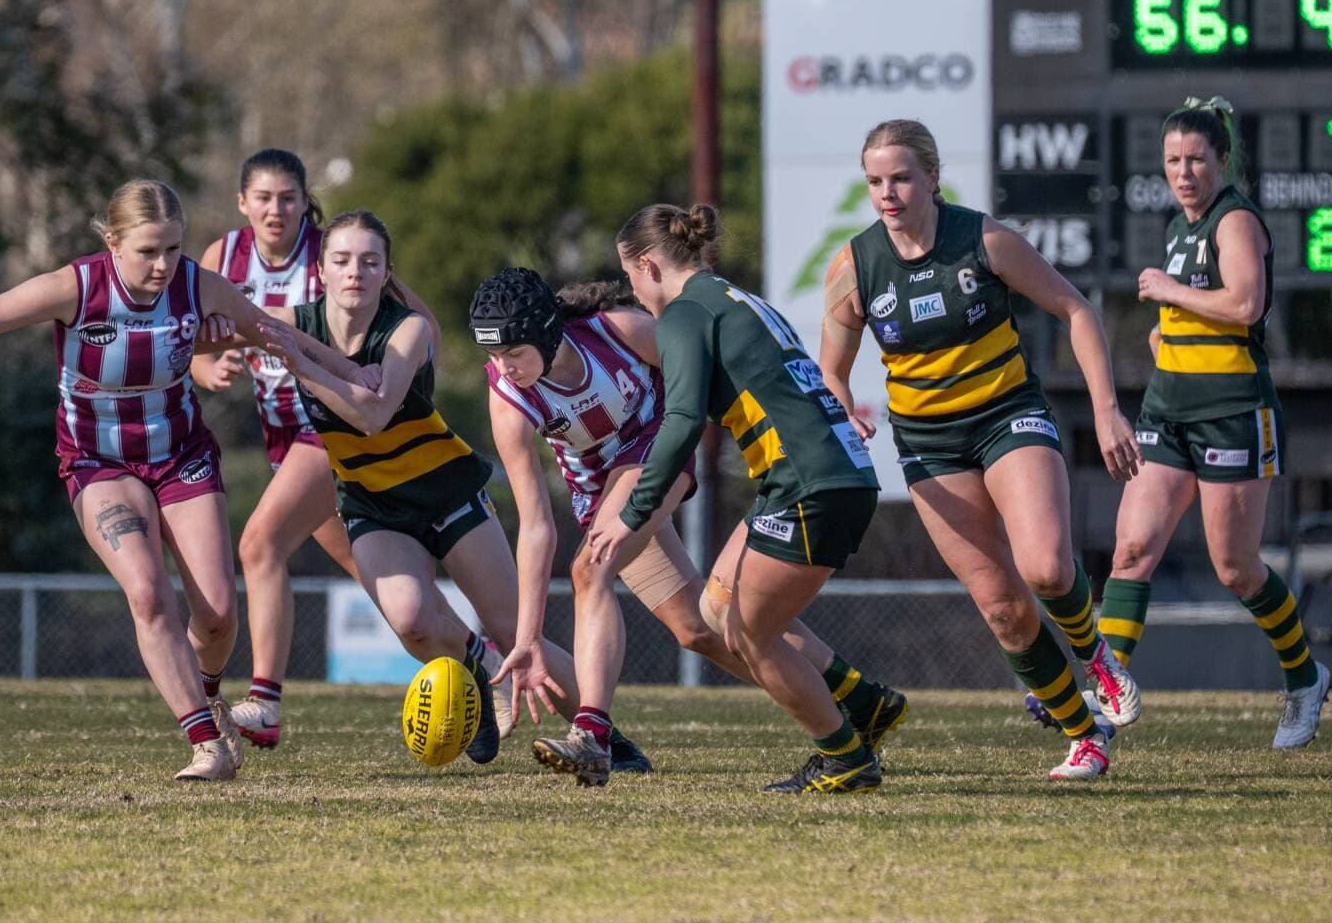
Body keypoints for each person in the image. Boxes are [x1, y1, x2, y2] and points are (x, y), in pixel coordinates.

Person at [0, 179, 360, 781]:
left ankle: (206, 692)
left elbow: (276, 332)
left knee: (220, 614)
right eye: (148, 251)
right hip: (99, 462)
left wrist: (360, 374)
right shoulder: (77, 286)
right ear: (113, 242)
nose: (163, 264)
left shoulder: (198, 285)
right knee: (148, 593)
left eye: (172, 248)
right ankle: (205, 742)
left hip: (181, 456)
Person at [471, 268, 908, 787]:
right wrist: (529, 638)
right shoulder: (508, 396)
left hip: (656, 450)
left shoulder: (617, 331)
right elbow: (537, 523)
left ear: (546, 330)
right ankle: (859, 698)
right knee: (699, 628)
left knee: (591, 569)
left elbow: (722, 368)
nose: (504, 367)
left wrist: (817, 418)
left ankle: (592, 735)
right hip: (601, 490)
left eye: (514, 352)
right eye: (495, 355)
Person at [256, 210, 649, 769]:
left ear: (388, 270)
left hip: (447, 492)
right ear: (320, 270)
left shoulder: (407, 328)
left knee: (517, 632)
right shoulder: (293, 321)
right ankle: (478, 668)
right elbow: (212, 322)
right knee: (412, 620)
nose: (355, 272)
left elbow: (374, 413)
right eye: (341, 260)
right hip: (373, 504)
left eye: (370, 261)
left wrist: (300, 360)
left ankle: (603, 737)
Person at [817, 120, 1143, 780]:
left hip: (1007, 416)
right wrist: (843, 405)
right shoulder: (854, 265)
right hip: (929, 446)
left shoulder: (985, 239)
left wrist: (1107, 410)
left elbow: (1078, 311)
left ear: (933, 178)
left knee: (1048, 568)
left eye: (902, 177)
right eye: (876, 181)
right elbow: (832, 367)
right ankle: (1086, 737)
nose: (889, 193)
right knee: (1002, 608)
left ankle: (1097, 659)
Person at [586, 203, 889, 795]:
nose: (634, 294)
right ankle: (863, 708)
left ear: (647, 265)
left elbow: (679, 424)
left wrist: (631, 515)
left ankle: (845, 754)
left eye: (629, 278)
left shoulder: (683, 314)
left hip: (810, 481)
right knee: (717, 609)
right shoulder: (734, 297)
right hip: (825, 475)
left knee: (749, 634)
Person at [192, 148, 441, 750]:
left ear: (306, 203)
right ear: (242, 204)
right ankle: (480, 660)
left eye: (288, 198)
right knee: (375, 574)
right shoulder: (221, 260)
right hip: (283, 435)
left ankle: (265, 701)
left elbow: (422, 322)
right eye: (264, 198)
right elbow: (191, 345)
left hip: (332, 425)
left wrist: (392, 369)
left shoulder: (337, 253)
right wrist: (211, 367)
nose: (276, 210)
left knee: (259, 543)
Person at [1099, 97, 1328, 747]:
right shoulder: (1179, 227)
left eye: (1196, 158)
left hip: (1232, 414)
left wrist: (1170, 295)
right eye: (1173, 160)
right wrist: (1166, 337)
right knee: (1133, 551)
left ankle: (1305, 676)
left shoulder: (1235, 222)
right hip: (1168, 410)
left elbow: (1245, 302)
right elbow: (1198, 314)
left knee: (1236, 568)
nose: (1184, 171)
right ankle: (1105, 702)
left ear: (1222, 160)